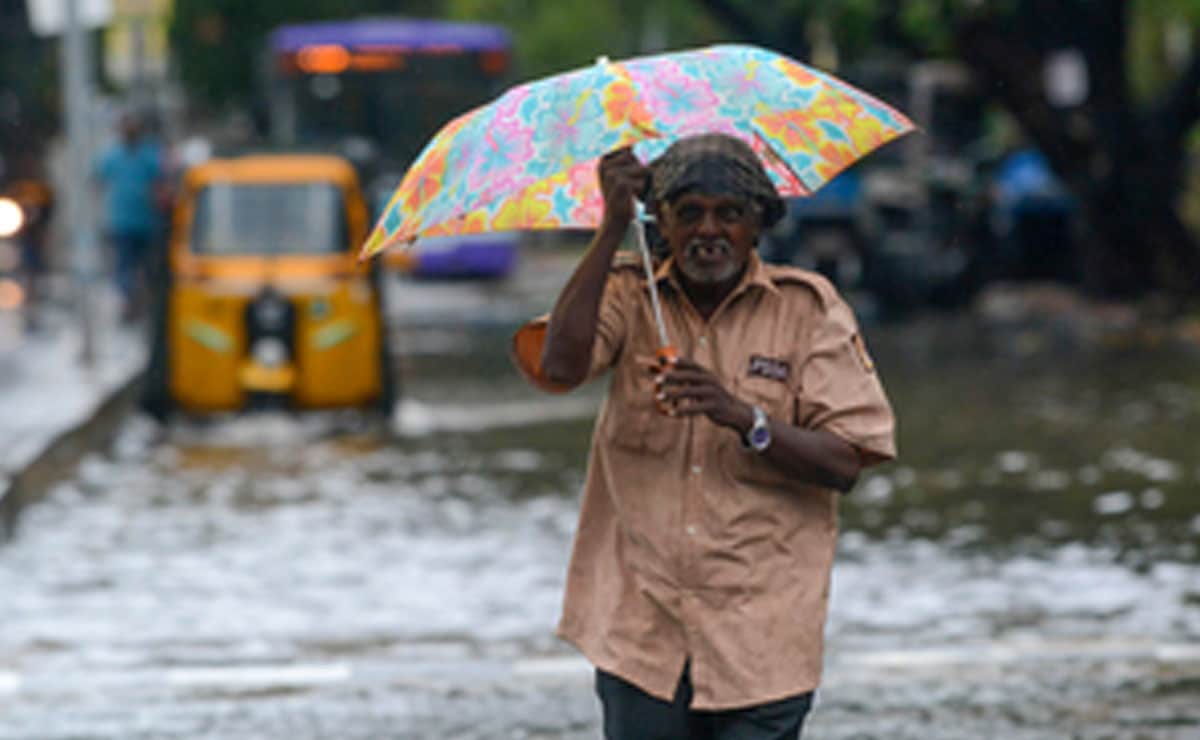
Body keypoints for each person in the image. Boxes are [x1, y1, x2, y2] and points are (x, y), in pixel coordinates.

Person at [510, 133, 896, 739]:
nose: (708, 231)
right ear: (661, 223)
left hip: (762, 635)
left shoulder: (808, 309)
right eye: (689, 213)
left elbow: (845, 461)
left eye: (729, 213)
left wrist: (743, 417)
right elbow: (558, 368)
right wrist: (611, 229)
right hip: (642, 634)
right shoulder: (627, 293)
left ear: (757, 224)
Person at [94, 112, 164, 320]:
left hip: (147, 222)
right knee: (124, 267)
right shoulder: (112, 156)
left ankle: (146, 303)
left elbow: (160, 181)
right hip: (122, 222)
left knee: (148, 267)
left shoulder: (149, 154)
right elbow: (98, 179)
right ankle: (129, 301)